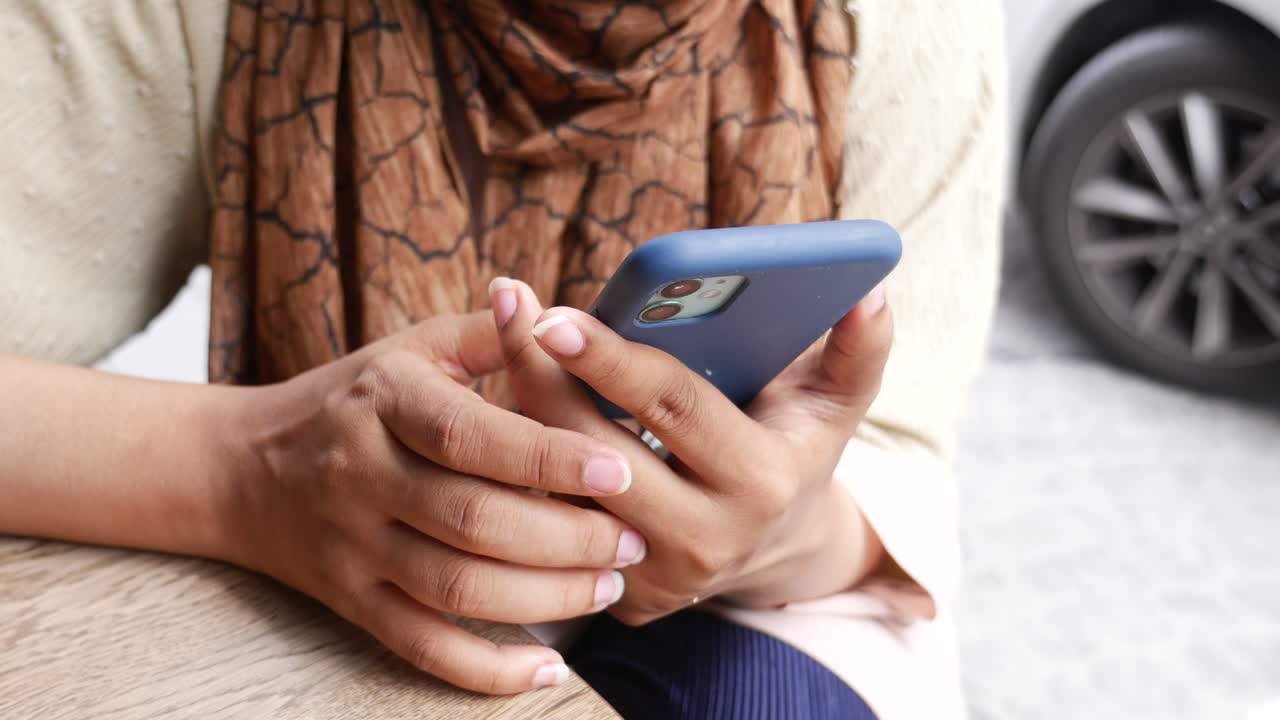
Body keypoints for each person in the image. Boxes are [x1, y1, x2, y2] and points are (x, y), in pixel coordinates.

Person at [0, 1, 1006, 718]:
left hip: (760, 619)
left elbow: (899, 464)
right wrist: (244, 468)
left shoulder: (904, 23)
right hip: (326, 597)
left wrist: (777, 528)